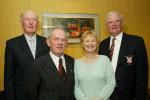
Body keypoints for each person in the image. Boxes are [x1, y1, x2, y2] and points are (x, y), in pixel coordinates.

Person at [98, 11, 148, 100]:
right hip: (107, 94)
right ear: (106, 25)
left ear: (122, 23)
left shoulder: (136, 42)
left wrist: (140, 97)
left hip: (129, 94)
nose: (114, 24)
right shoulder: (103, 44)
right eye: (110, 22)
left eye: (117, 21)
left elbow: (142, 73)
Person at [4, 10, 49, 100]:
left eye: (34, 20)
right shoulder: (12, 44)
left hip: (43, 94)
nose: (31, 22)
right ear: (21, 22)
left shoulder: (47, 42)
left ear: (38, 23)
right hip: (20, 95)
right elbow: (8, 75)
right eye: (27, 19)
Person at [26, 27, 75, 100]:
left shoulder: (71, 61)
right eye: (56, 39)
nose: (60, 43)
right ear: (48, 42)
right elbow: (32, 94)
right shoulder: (37, 64)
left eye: (63, 40)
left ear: (66, 43)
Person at [74, 31, 115, 100]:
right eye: (87, 41)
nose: (90, 43)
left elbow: (111, 82)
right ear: (82, 44)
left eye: (93, 41)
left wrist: (100, 98)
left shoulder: (105, 60)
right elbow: (75, 87)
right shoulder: (76, 63)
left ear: (97, 43)